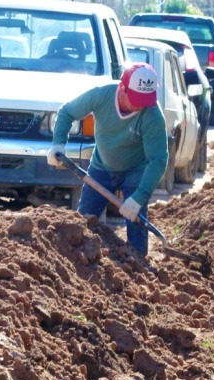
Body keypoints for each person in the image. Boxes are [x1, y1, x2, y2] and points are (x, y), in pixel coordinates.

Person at [48, 62, 168, 256]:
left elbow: (158, 160)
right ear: (122, 88)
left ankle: (137, 264)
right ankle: (79, 260)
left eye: (144, 100)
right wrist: (58, 144)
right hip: (102, 166)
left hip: (135, 169)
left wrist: (139, 197)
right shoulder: (101, 96)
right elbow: (67, 112)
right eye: (136, 98)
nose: (140, 105)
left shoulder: (152, 114)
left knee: (135, 218)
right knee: (85, 219)